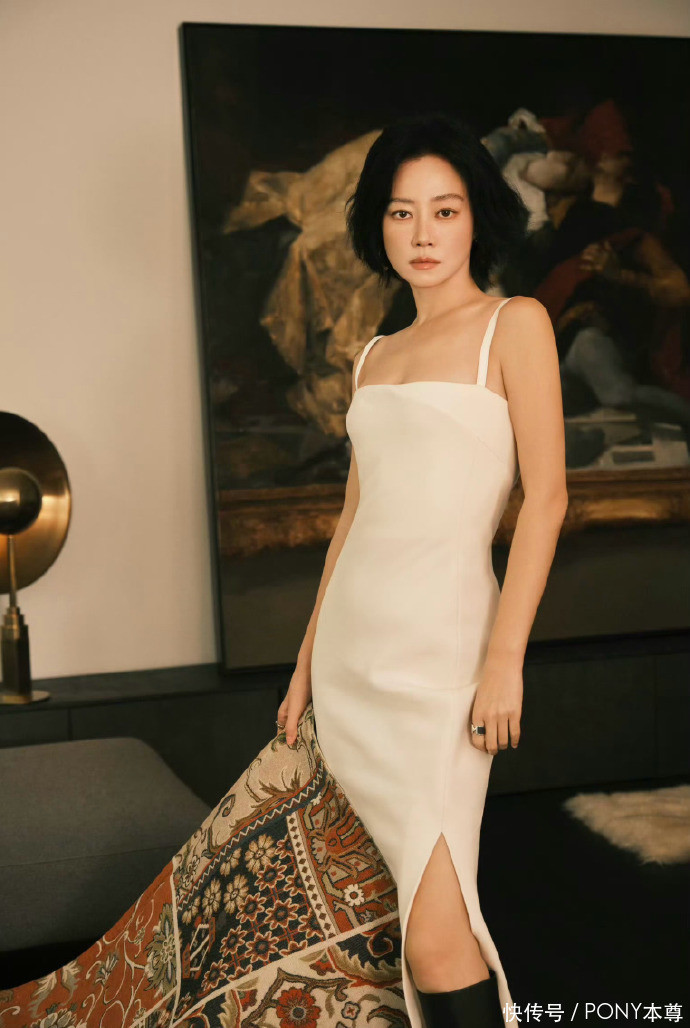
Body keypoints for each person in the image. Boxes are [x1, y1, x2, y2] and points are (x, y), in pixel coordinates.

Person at [278, 111, 568, 1028]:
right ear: (381, 226)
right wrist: (305, 662)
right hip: (352, 660)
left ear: (478, 216)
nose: (423, 234)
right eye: (402, 213)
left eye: (445, 211)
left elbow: (547, 500)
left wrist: (505, 660)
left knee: (439, 936)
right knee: (388, 925)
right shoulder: (374, 355)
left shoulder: (514, 324)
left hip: (445, 659)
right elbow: (352, 522)